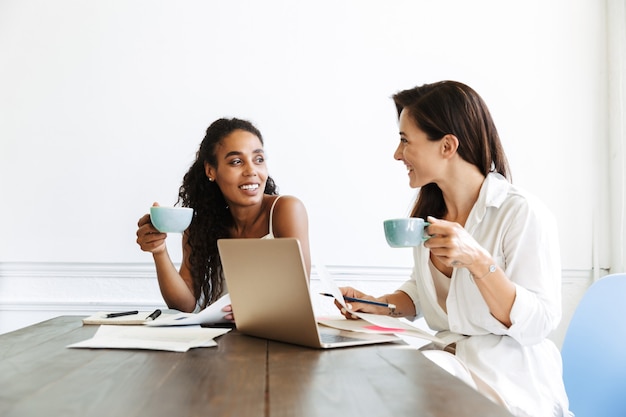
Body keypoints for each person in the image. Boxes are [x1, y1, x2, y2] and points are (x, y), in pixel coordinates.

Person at [337, 81, 572, 417]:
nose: (397, 154)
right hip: (447, 370)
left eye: (405, 140)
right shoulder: (429, 218)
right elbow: (422, 291)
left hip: (509, 384)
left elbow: (538, 323)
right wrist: (377, 305)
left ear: (447, 146)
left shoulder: (520, 213)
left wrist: (479, 263)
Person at [136, 117, 311, 319]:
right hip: (219, 341)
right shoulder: (201, 225)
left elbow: (298, 296)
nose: (251, 170)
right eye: (236, 161)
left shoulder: (286, 210)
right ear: (211, 170)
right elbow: (184, 304)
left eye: (258, 159)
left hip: (273, 341)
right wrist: (159, 251)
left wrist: (255, 310)